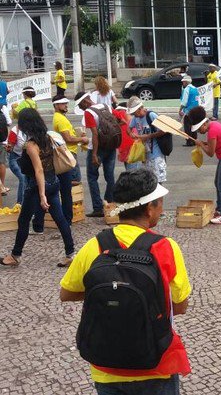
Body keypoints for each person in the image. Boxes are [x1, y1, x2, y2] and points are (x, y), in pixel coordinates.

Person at [59, 169, 192, 394]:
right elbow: (179, 306)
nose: (161, 209)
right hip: (156, 365)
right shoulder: (166, 248)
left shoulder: (95, 245)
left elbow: (66, 293)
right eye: (160, 203)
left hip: (106, 367)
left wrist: (110, 291)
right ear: (149, 209)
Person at [1, 108, 75, 267]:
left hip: (38, 186)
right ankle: (70, 254)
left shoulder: (31, 145)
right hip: (53, 182)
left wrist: (42, 195)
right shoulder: (47, 137)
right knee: (60, 219)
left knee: (23, 220)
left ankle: (15, 255)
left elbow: (38, 170)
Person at [188, 106, 221, 224]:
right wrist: (204, 143)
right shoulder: (214, 125)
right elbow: (214, 144)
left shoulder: (212, 131)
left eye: (199, 129)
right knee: (218, 183)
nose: (199, 132)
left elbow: (210, 153)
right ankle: (219, 209)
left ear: (204, 124)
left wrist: (201, 144)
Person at [75, 92, 117, 218]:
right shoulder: (106, 106)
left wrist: (94, 153)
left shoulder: (89, 112)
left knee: (92, 177)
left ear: (85, 102)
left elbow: (95, 134)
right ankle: (109, 204)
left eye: (80, 106)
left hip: (98, 148)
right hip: (111, 146)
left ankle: (98, 208)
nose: (81, 108)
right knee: (110, 176)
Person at [52, 95, 88, 223]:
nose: (66, 105)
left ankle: (70, 213)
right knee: (71, 184)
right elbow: (68, 139)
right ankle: (69, 216)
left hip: (68, 153)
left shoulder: (61, 117)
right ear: (56, 105)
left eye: (66, 103)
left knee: (69, 185)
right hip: (68, 155)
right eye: (63, 104)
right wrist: (82, 139)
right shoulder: (60, 119)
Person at [127, 97, 167, 183]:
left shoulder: (151, 115)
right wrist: (131, 134)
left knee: (158, 181)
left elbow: (164, 130)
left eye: (134, 112)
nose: (133, 115)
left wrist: (148, 136)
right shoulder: (135, 118)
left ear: (139, 109)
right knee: (149, 182)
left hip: (156, 154)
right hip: (145, 155)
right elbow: (129, 128)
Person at [112, 102, 137, 170]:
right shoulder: (130, 122)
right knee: (131, 169)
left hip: (129, 147)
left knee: (131, 170)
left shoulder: (125, 119)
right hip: (128, 147)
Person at [179, 75, 199, 146]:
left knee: (187, 127)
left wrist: (180, 109)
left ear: (186, 82)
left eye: (183, 82)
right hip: (196, 110)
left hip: (188, 111)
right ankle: (194, 140)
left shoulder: (187, 89)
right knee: (194, 126)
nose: (183, 83)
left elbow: (184, 102)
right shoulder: (195, 89)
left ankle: (189, 141)